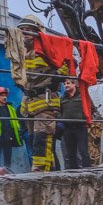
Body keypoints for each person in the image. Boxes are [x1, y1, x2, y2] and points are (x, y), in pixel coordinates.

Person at [15, 15, 68, 171]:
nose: (25, 33)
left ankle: (41, 173)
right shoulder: (21, 51)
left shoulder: (47, 47)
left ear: (37, 31)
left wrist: (57, 77)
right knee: (34, 140)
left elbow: (67, 62)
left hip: (45, 101)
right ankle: (49, 172)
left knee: (42, 139)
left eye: (28, 30)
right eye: (22, 30)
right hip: (29, 103)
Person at [58, 77, 92, 170]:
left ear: (74, 84)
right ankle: (73, 172)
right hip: (67, 128)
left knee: (83, 151)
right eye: (65, 84)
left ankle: (88, 171)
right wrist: (62, 120)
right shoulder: (62, 98)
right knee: (70, 152)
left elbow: (90, 108)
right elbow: (59, 111)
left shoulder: (82, 96)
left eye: (68, 83)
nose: (66, 85)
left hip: (80, 127)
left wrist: (85, 119)